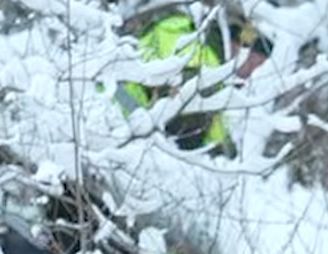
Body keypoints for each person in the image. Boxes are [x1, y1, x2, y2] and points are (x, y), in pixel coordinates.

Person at [115, 9, 274, 157]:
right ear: (238, 44)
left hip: (126, 122)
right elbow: (185, 115)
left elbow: (215, 130)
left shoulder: (212, 61)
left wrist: (224, 151)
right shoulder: (200, 54)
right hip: (116, 118)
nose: (249, 74)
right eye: (252, 63)